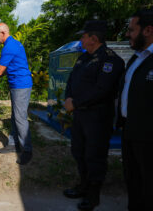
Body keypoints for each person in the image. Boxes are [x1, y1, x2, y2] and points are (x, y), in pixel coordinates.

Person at [63, 20, 125, 211]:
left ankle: (93, 195)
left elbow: (102, 90)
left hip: (98, 118)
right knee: (79, 152)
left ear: (94, 38)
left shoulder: (111, 60)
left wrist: (76, 102)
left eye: (84, 36)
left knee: (94, 156)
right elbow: (71, 80)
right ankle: (83, 186)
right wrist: (68, 99)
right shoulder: (83, 58)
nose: (81, 39)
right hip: (80, 116)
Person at [0, 23, 33, 165]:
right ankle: (13, 143)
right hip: (17, 84)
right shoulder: (13, 44)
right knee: (16, 115)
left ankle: (27, 150)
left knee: (20, 117)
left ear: (3, 33)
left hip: (21, 85)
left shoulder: (9, 47)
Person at [118, 8, 153, 211]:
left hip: (149, 138)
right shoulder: (137, 58)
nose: (127, 34)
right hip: (130, 132)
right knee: (133, 182)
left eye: (131, 30)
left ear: (148, 30)